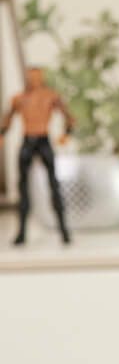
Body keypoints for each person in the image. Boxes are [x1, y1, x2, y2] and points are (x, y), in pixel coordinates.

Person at [3, 66, 74, 244]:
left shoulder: (51, 96)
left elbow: (69, 116)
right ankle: (21, 233)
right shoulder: (19, 98)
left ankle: (64, 231)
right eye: (31, 76)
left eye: (37, 76)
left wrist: (67, 133)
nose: (34, 80)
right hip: (27, 140)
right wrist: (2, 134)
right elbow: (7, 119)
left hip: (43, 140)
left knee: (54, 185)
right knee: (22, 186)